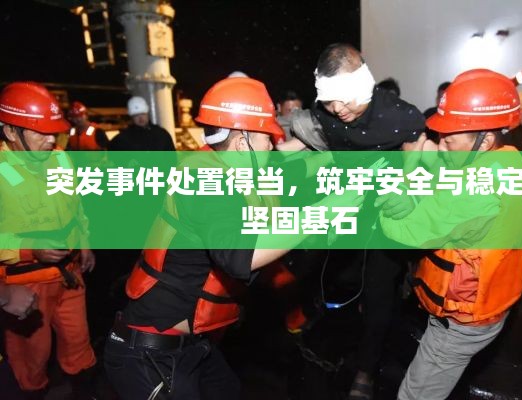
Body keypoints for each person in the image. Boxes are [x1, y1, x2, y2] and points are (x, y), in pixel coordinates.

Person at [103, 76, 363, 400]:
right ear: (242, 143)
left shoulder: (234, 170)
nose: (273, 145)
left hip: (193, 346)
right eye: (267, 138)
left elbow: (292, 171)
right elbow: (242, 255)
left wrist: (346, 156)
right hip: (149, 354)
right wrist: (326, 211)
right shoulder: (203, 182)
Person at [377, 69, 522, 400]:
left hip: (461, 319)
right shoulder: (507, 160)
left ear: (484, 140)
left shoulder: (477, 190)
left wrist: (405, 174)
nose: (441, 146)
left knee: (414, 395)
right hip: (488, 304)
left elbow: (404, 231)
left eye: (449, 140)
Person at [288, 43, 426, 400]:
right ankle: (328, 332)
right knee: (337, 280)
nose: (337, 109)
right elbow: (291, 148)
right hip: (346, 212)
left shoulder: (400, 116)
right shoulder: (325, 113)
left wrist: (407, 191)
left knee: (379, 295)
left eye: (343, 99)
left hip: (384, 219)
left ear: (363, 85)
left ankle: (366, 369)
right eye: (329, 101)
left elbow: (415, 158)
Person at [0, 82, 97, 399]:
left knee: (80, 348)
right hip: (25, 287)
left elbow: (76, 208)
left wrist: (84, 242)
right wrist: (30, 250)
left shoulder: (60, 159)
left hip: (70, 277)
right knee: (31, 360)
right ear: (11, 132)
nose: (52, 139)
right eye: (41, 132)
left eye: (53, 131)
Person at [108, 96, 176, 151]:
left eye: (143, 114)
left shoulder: (161, 134)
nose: (140, 118)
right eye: (136, 115)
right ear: (131, 117)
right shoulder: (123, 139)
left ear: (147, 113)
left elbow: (171, 158)